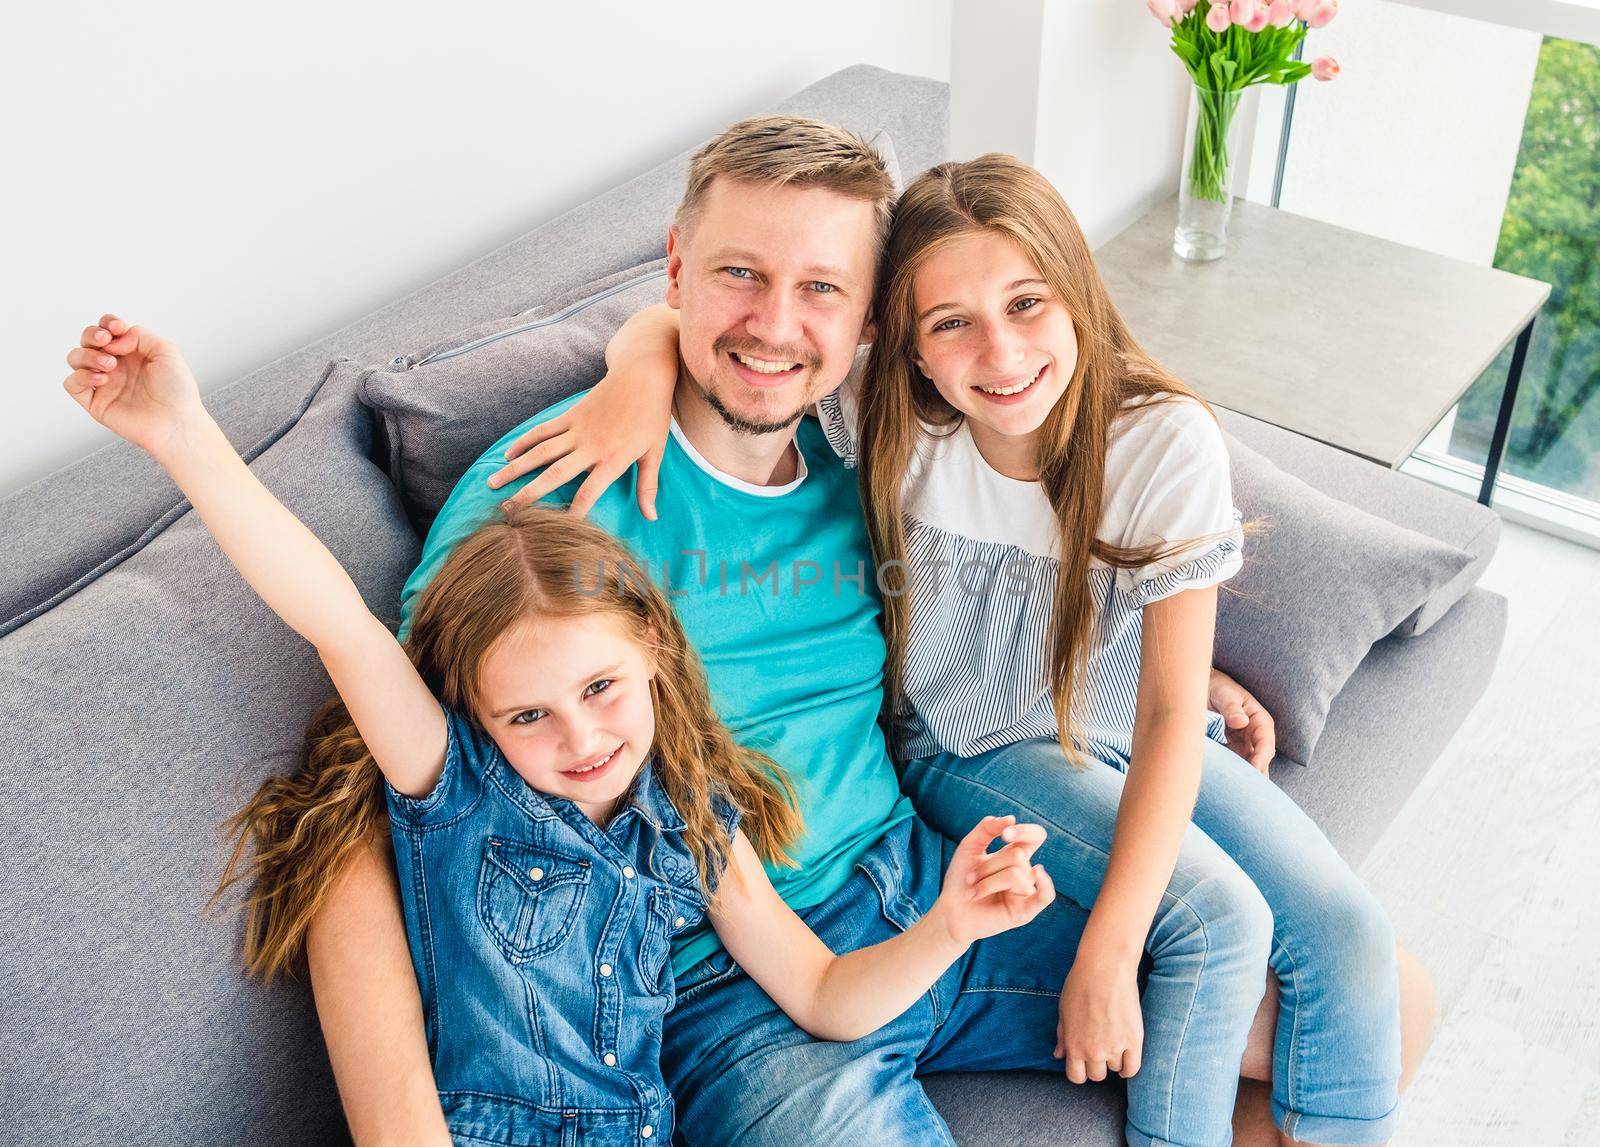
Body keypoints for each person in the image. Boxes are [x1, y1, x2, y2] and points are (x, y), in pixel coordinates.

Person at [284, 116, 1434, 1146]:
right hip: (741, 987)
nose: (776, 325)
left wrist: (1173, 656)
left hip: (936, 888)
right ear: (677, 268)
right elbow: (365, 798)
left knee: (1377, 1003)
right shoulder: (552, 497)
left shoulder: (871, 446)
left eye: (821, 289)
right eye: (738, 274)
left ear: (874, 319)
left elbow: (1017, 557)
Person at [58, 313, 1059, 1146]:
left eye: (601, 687)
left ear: (657, 658)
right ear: (476, 717)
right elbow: (336, 622)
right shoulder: (458, 796)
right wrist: (183, 434)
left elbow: (824, 994)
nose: (581, 737)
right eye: (528, 714)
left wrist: (950, 928)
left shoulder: (694, 818)